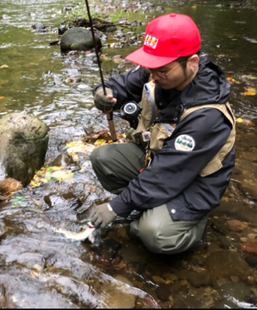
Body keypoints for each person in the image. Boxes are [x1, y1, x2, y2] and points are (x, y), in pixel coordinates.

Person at [89, 13, 236, 254]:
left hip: (194, 183)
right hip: (161, 161)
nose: (154, 75)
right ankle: (151, 204)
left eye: (162, 71)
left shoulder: (208, 116)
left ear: (193, 63)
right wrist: (103, 92)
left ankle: (190, 222)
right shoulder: (161, 68)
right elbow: (123, 84)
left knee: (155, 234)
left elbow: (168, 173)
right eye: (150, 67)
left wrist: (116, 207)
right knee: (103, 159)